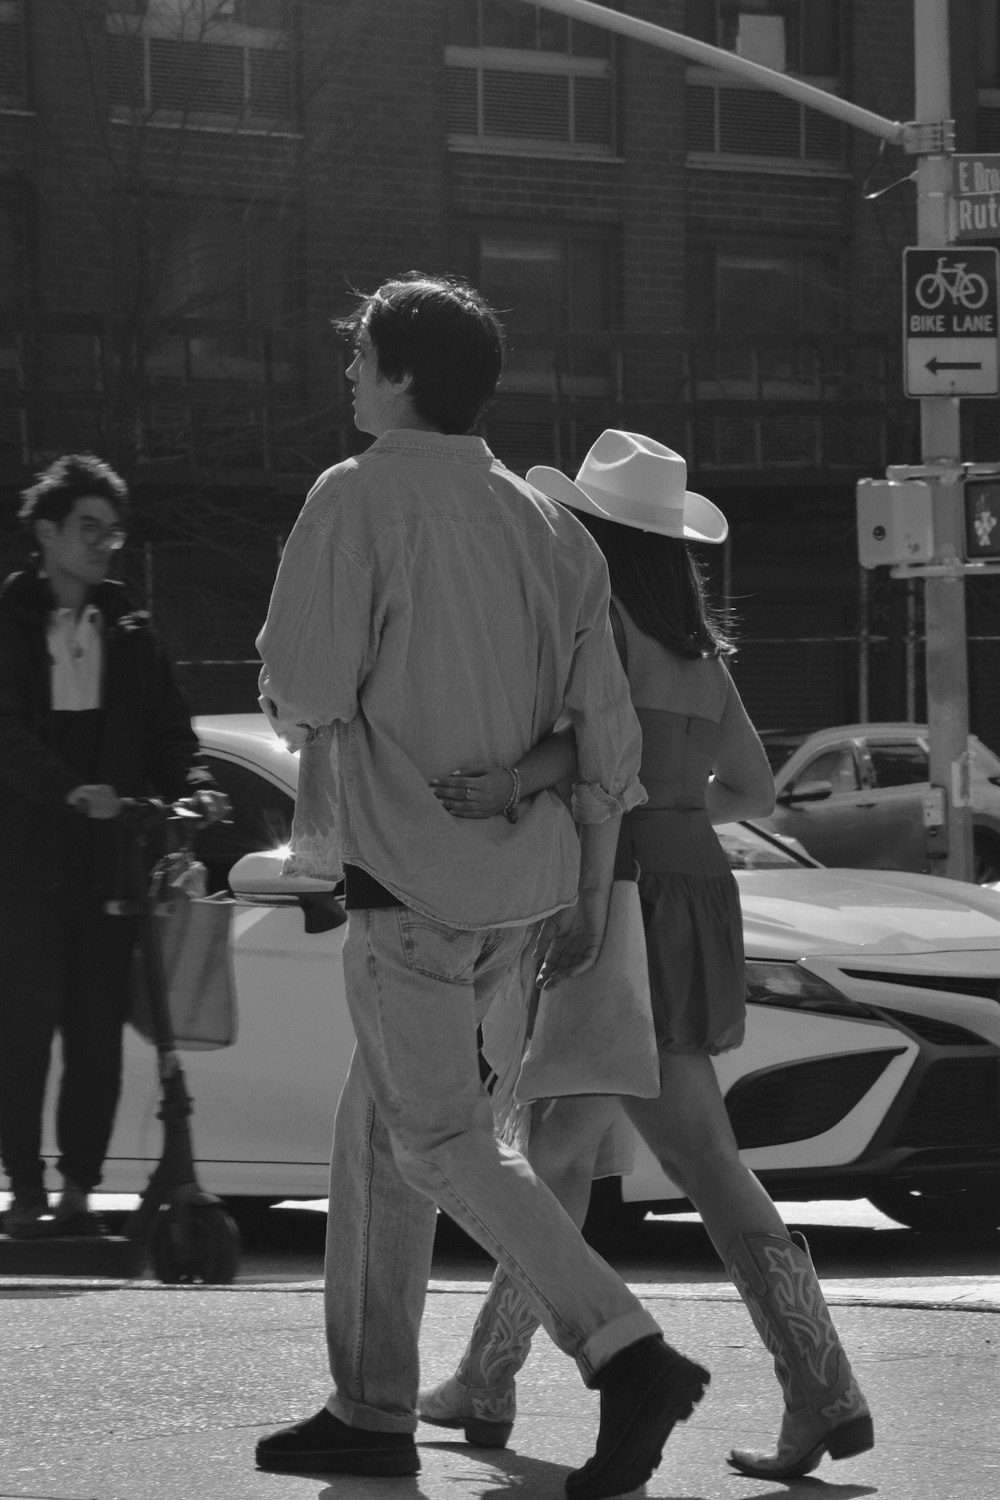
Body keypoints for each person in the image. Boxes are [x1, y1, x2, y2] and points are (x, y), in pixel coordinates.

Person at [254, 276, 710, 1499]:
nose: (347, 371)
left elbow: (303, 686)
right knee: (378, 1138)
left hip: (405, 878)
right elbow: (604, 747)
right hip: (525, 891)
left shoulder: (352, 500)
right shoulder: (546, 524)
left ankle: (624, 1350)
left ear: (399, 371)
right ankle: (370, 1404)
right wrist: (583, 895)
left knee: (438, 1140)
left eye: (358, 354)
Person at [419, 430, 875, 1484]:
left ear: (597, 533)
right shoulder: (698, 651)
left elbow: (589, 756)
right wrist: (678, 809)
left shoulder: (595, 622)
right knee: (602, 1144)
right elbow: (753, 792)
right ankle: (489, 1378)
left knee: (595, 1141)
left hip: (613, 890)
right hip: (696, 887)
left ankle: (814, 1389)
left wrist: (534, 797)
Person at [0, 453, 227, 1240]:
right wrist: (70, 788)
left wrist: (195, 783)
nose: (104, 544)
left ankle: (78, 1191)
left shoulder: (128, 625)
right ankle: (24, 1192)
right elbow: (8, 734)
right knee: (24, 1032)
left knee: (96, 1035)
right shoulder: (12, 620)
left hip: (108, 866)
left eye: (113, 532)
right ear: (47, 532)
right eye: (88, 529)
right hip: (24, 866)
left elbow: (172, 730)